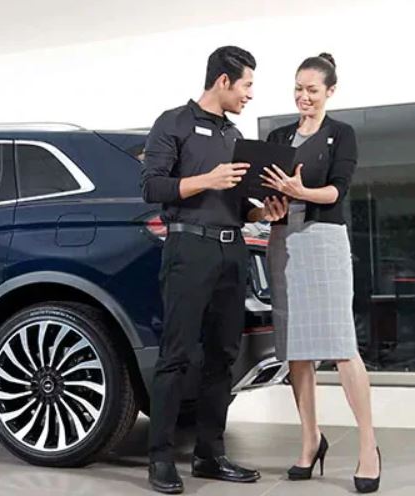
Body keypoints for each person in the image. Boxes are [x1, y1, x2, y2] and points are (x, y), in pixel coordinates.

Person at [141, 46, 288, 494]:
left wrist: (261, 212)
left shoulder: (234, 135)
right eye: (246, 85)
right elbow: (152, 187)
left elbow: (235, 202)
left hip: (232, 252)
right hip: (189, 249)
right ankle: (160, 459)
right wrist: (208, 179)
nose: (249, 95)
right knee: (177, 354)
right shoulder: (173, 123)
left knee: (223, 355)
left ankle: (210, 454)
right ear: (223, 81)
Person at [262, 52, 381, 493]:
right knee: (296, 347)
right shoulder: (277, 135)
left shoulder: (341, 134)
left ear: (330, 91)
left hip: (324, 238)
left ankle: (368, 445)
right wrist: (269, 205)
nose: (303, 96)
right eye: (298, 87)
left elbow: (337, 189)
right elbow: (260, 194)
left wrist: (300, 191)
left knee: (340, 342)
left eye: (312, 89)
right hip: (282, 238)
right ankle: (310, 439)